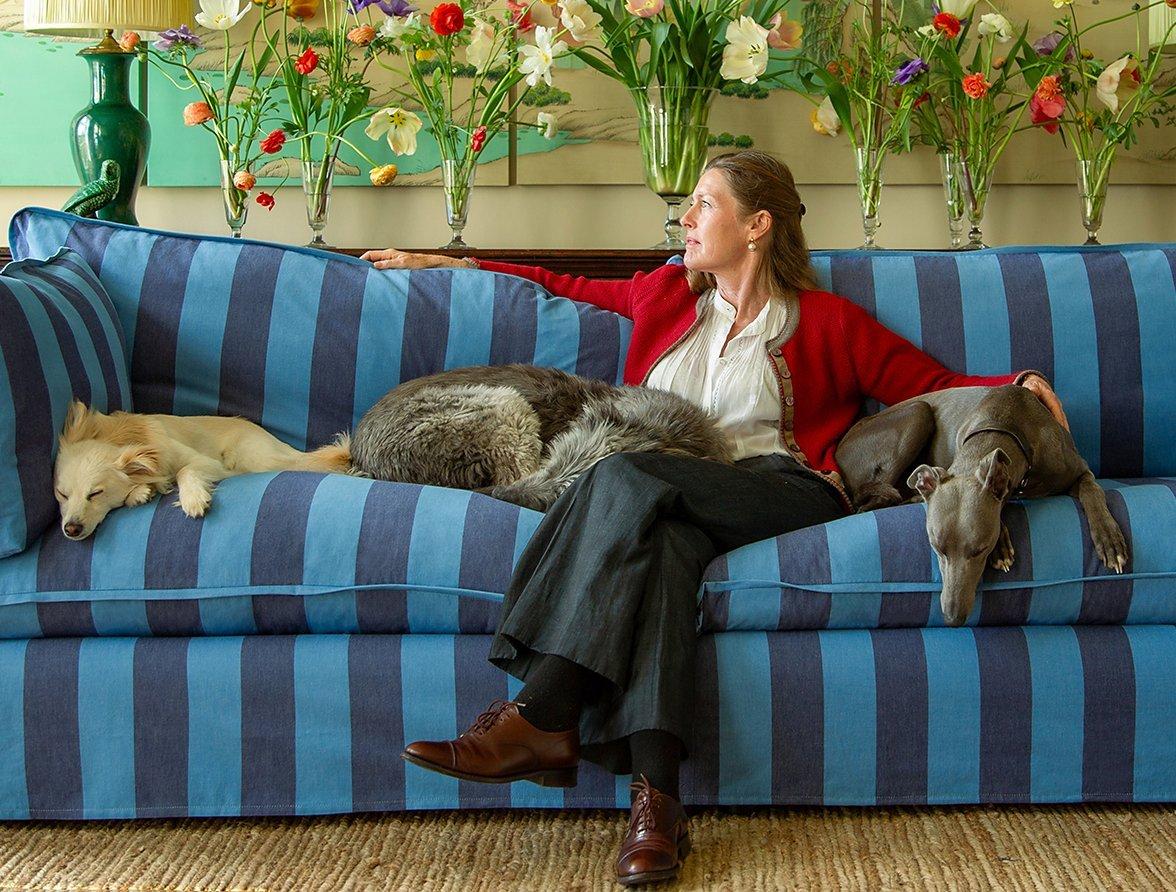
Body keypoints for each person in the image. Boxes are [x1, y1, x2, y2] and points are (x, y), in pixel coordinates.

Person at [360, 151, 1067, 887]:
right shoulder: (664, 294)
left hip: (784, 487)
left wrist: (1014, 384)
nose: (685, 219)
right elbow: (552, 282)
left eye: (704, 204)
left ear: (757, 226)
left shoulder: (827, 320)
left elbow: (933, 384)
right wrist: (451, 264)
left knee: (621, 470)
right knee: (663, 545)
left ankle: (542, 708)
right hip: (670, 496)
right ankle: (656, 807)